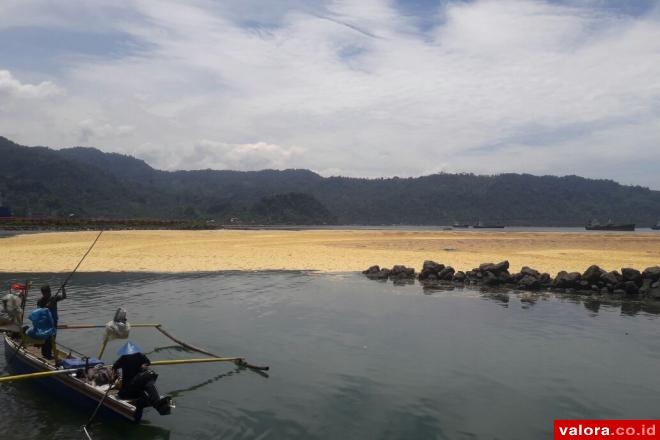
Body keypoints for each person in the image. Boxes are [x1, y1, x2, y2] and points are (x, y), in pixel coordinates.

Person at [112, 341, 172, 416]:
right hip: (129, 388)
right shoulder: (128, 357)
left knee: (149, 379)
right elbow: (114, 367)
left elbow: (147, 362)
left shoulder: (135, 356)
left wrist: (144, 365)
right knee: (149, 375)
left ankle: (157, 404)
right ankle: (157, 403)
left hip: (136, 388)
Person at [36, 284, 66, 359]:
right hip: (45, 322)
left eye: (49, 293)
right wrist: (46, 307)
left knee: (53, 338)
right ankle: (46, 354)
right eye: (45, 293)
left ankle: (49, 353)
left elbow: (64, 297)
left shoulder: (54, 298)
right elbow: (38, 312)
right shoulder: (40, 301)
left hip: (54, 321)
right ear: (43, 293)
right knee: (46, 339)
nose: (48, 294)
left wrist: (63, 288)